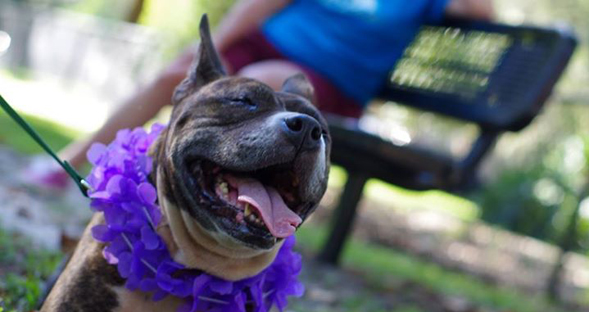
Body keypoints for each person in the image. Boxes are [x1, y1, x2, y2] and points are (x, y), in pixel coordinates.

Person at [29, 0, 494, 189]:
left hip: (325, 82)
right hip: (262, 44)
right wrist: (212, 46)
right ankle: (71, 163)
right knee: (174, 74)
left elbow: (482, 10)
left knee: (258, 82)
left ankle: (162, 180)